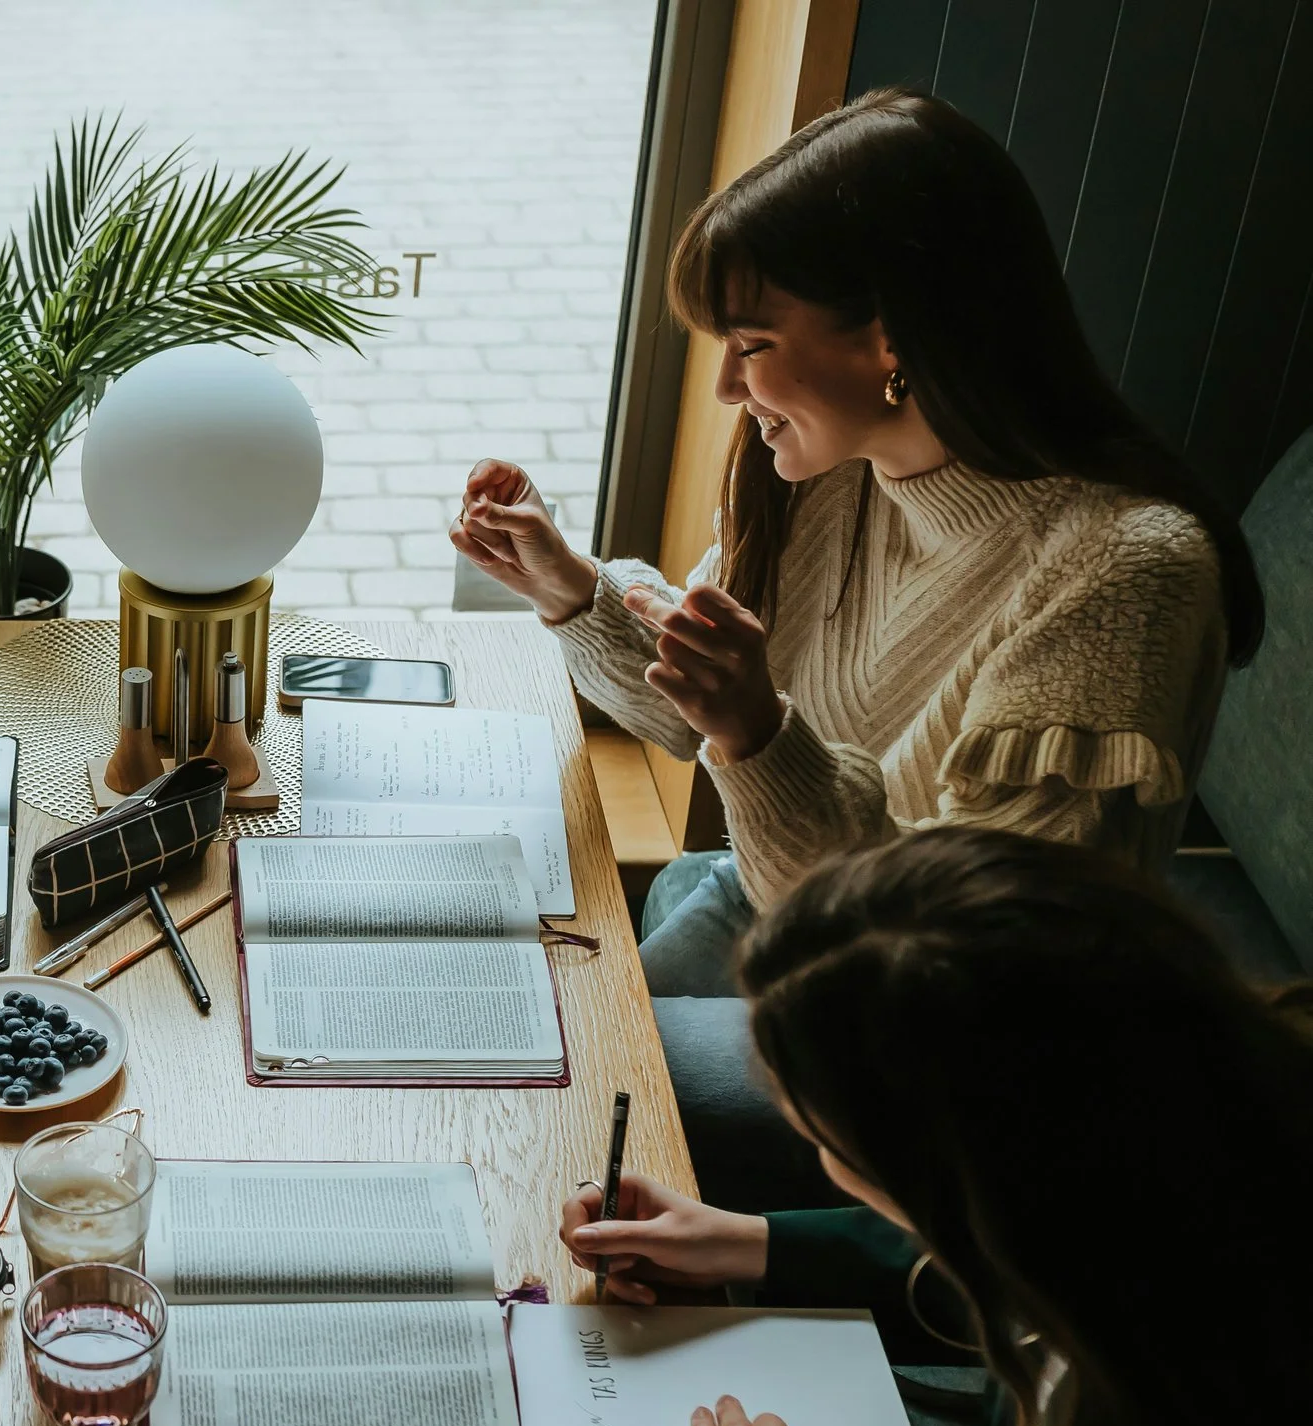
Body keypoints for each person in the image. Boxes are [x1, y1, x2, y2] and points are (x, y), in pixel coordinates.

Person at [451, 90, 1261, 1001]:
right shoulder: (833, 472)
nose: (724, 386)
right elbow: (694, 717)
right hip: (784, 901)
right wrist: (571, 590)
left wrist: (758, 732)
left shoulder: (1122, 574)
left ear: (890, 339)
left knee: (571, 1079)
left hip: (928, 1031)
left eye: (750, 343)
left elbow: (973, 960)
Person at [556, 828, 1313, 1426]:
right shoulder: (1197, 1137)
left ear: (972, 1182)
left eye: (829, 1146)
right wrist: (750, 1241)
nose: (825, 1169)